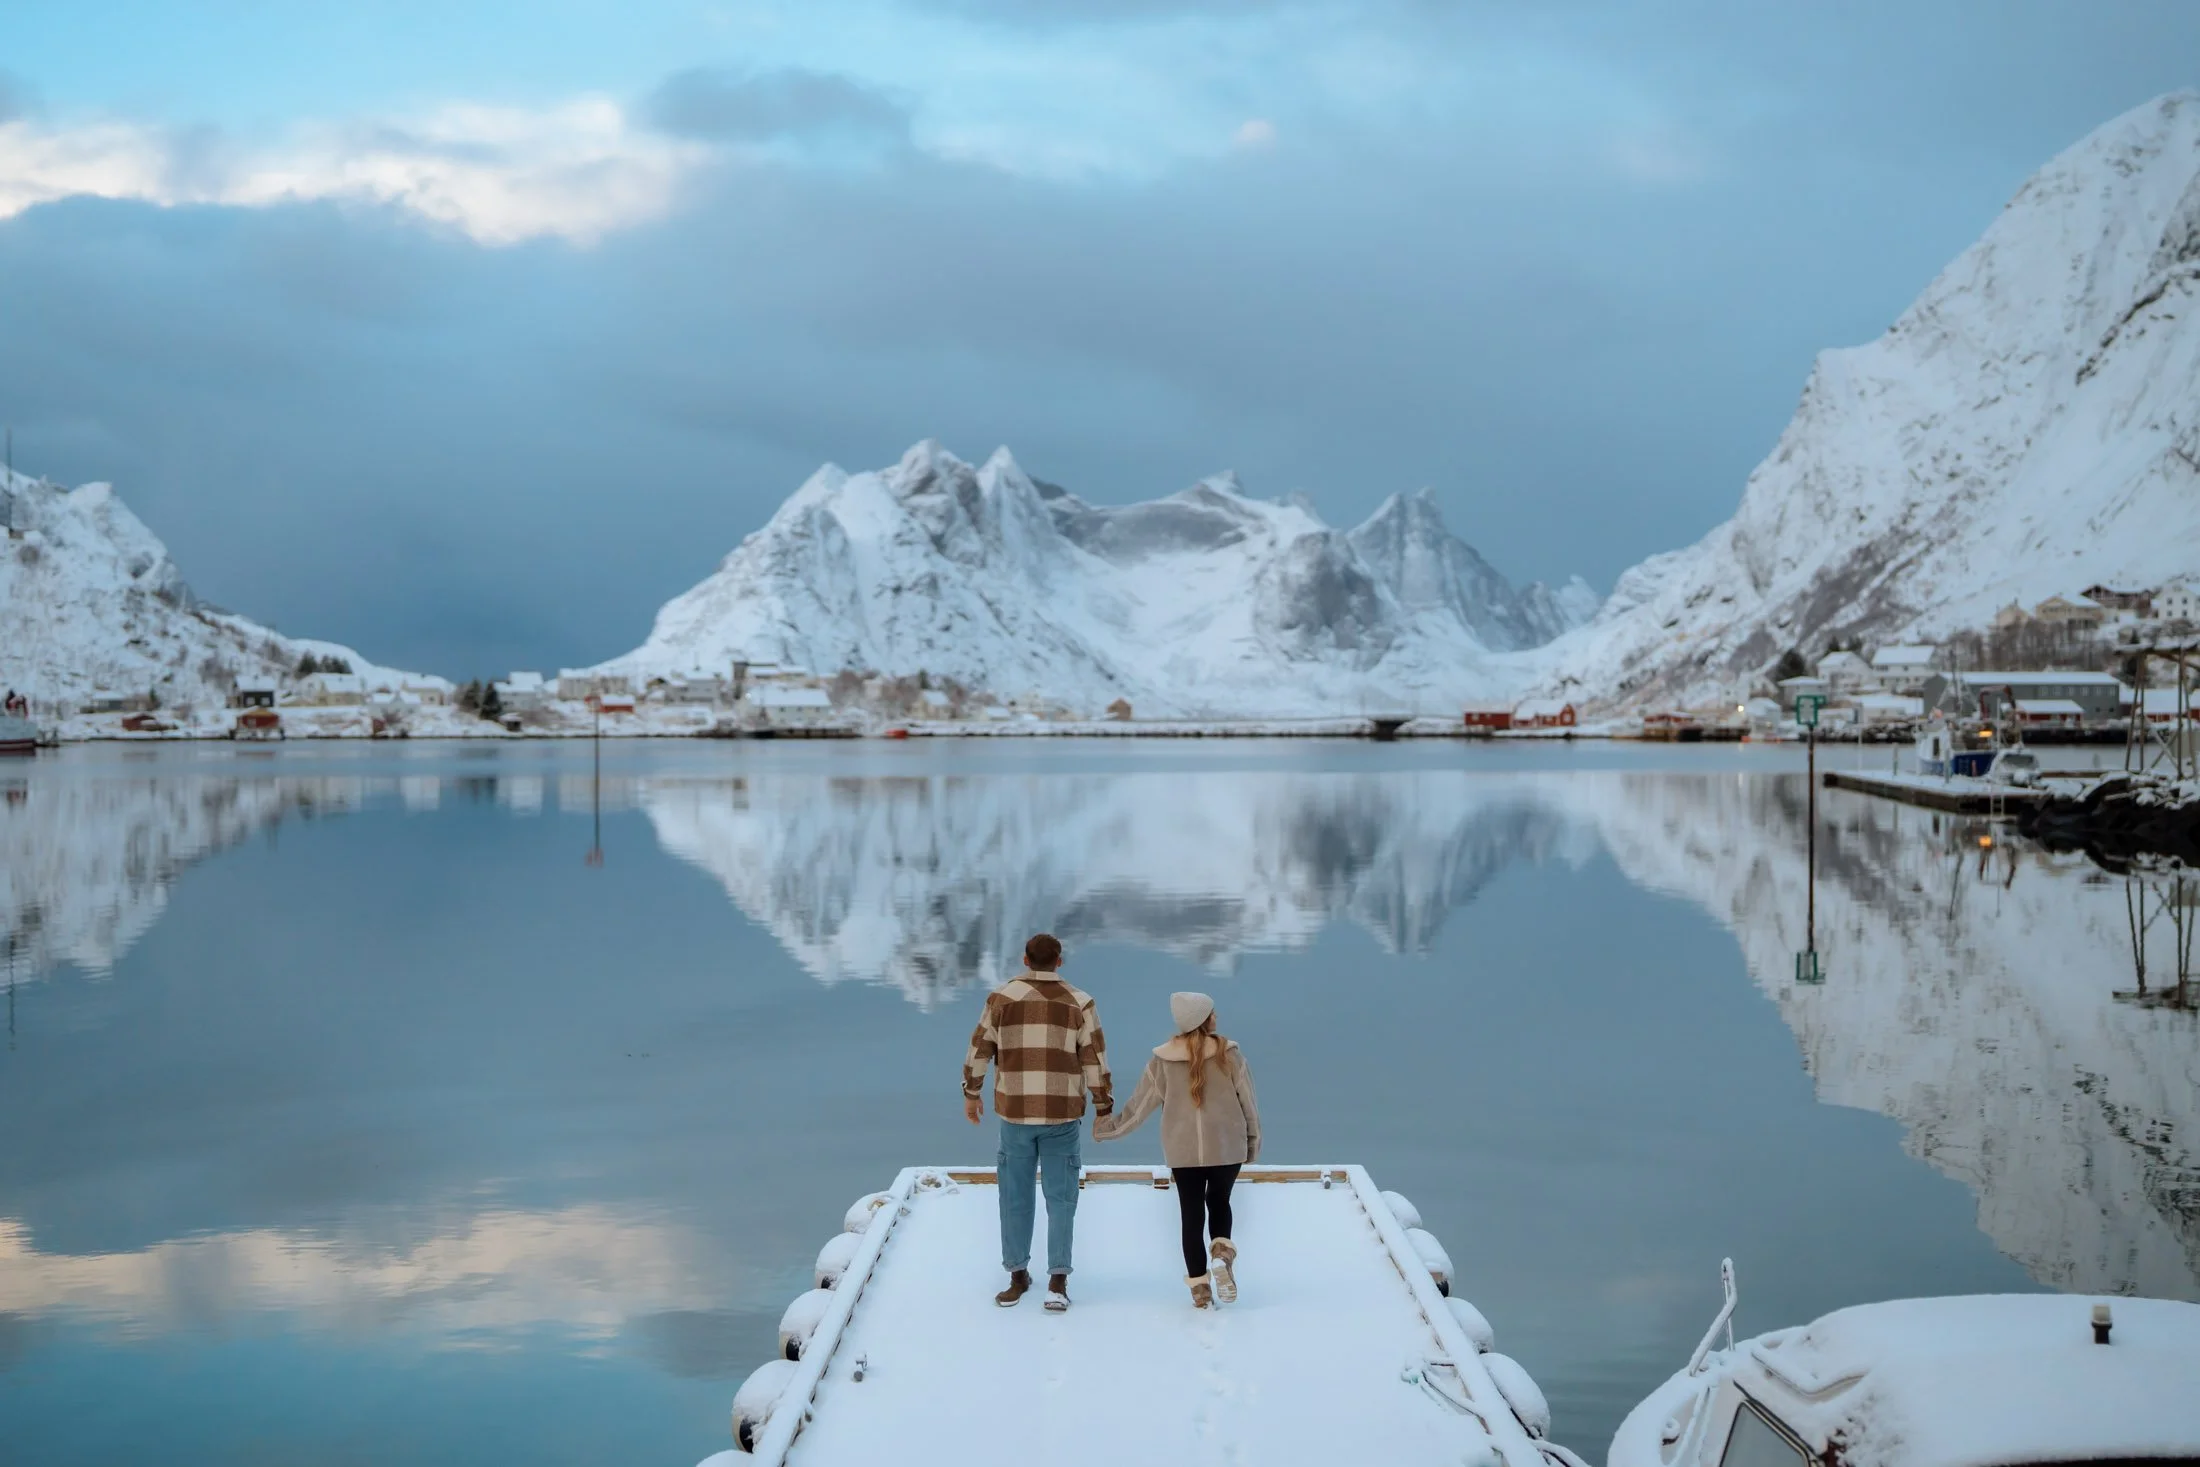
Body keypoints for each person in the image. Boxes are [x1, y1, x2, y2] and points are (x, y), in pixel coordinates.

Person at [962, 932, 1112, 1312]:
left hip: (1014, 1114)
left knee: (1014, 1196)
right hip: (1062, 1114)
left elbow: (980, 1048)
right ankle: (1057, 1282)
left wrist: (971, 1092)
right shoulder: (1080, 1002)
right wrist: (1103, 1106)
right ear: (1059, 961)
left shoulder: (1001, 999)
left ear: (1025, 960)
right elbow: (1094, 1058)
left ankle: (1017, 1277)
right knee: (1061, 1200)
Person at [1094, 992, 1261, 1309]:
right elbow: (1248, 1104)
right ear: (1205, 1019)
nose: (1217, 1017)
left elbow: (1139, 1107)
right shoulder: (1230, 1055)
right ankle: (1222, 1256)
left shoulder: (1162, 1061)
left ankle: (1199, 1290)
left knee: (1192, 1214)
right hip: (1228, 1146)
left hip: (1183, 1151)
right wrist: (1252, 1143)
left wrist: (1108, 1129)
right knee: (1219, 1201)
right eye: (1213, 1012)